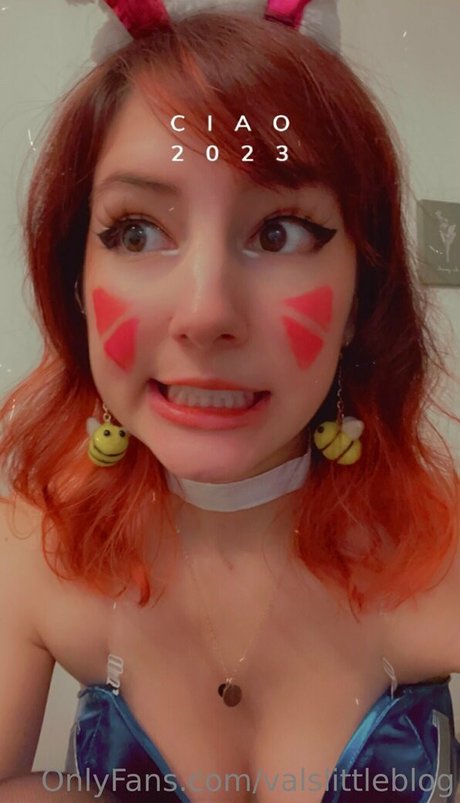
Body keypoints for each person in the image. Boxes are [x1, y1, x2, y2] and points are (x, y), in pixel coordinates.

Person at [0, 0, 459, 800]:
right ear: (75, 282)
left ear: (361, 295)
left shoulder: (441, 552)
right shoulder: (29, 546)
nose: (206, 312)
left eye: (280, 231)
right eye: (137, 231)